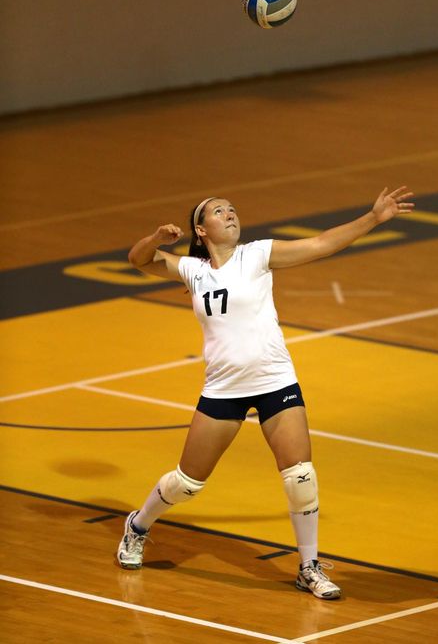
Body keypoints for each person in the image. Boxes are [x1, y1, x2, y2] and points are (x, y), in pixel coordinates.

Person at [117, 187, 414, 599]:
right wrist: (154, 240)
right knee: (188, 484)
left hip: (276, 380)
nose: (231, 213)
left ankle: (308, 567)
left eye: (233, 209)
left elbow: (321, 244)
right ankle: (138, 525)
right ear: (201, 230)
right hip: (224, 388)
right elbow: (138, 260)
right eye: (219, 212)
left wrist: (373, 218)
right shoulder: (191, 269)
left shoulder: (257, 254)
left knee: (300, 476)